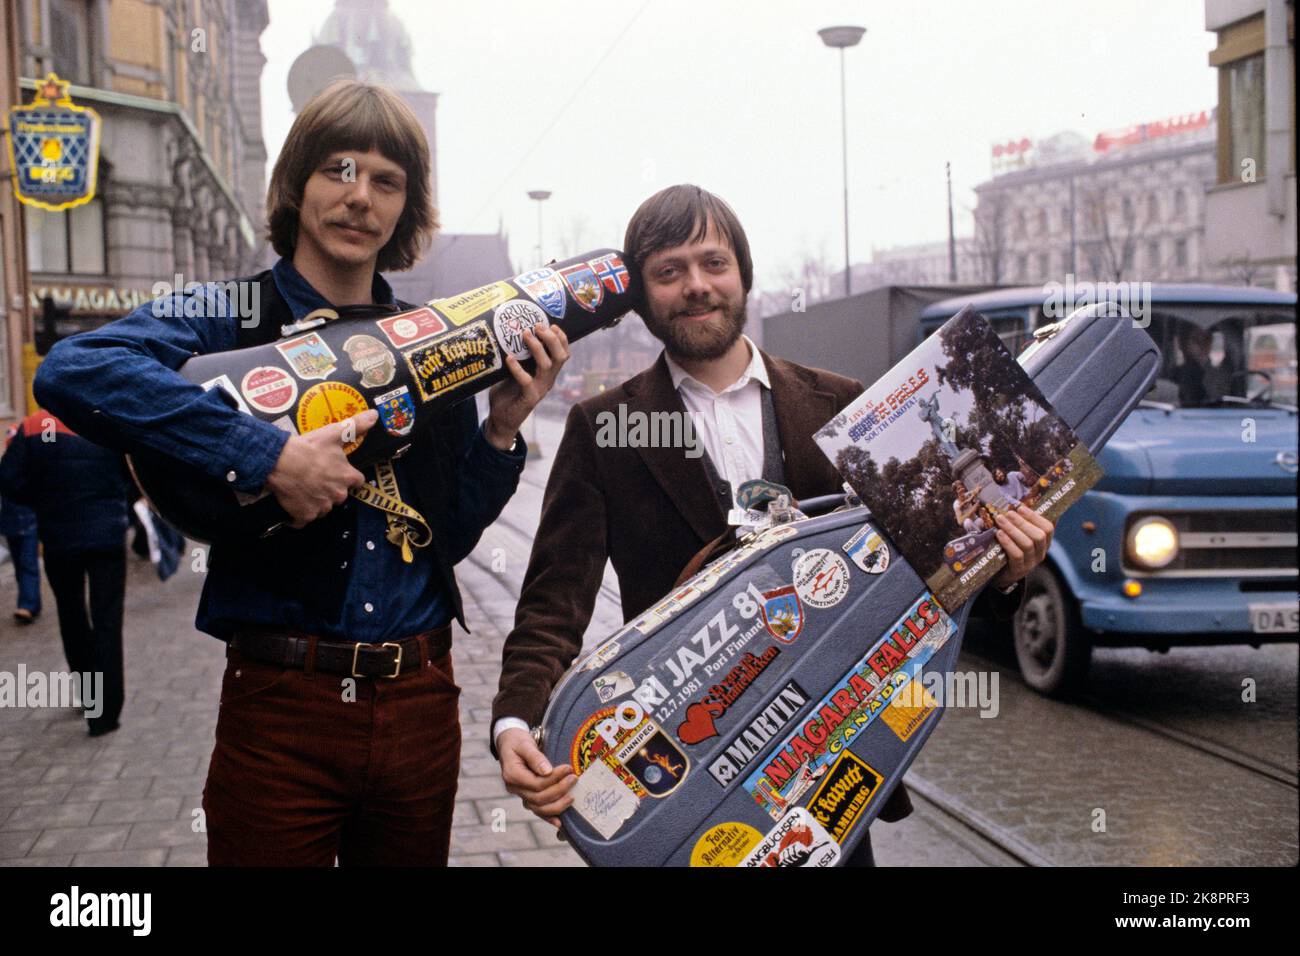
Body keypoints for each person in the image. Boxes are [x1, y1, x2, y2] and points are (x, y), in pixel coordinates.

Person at [33, 80, 569, 865]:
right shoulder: (231, 313)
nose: (360, 198)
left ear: (407, 209)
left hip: (421, 699)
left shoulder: (429, 342)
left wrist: (501, 431)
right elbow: (75, 368)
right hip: (281, 705)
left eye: (388, 181)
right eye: (339, 170)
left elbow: (445, 540)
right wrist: (266, 454)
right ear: (296, 185)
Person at [492, 184, 1055, 866]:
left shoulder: (847, 408)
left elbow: (929, 581)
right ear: (641, 297)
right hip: (686, 782)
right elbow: (555, 598)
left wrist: (1007, 572)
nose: (696, 286)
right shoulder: (602, 425)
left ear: (744, 275)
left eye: (713, 263)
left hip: (833, 774)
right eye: (669, 272)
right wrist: (516, 719)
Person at [0, 411, 132, 735]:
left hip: (59, 537)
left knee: (71, 616)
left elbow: (8, 480)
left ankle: (90, 698)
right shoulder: (108, 421)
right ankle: (106, 713)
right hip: (107, 536)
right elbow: (136, 477)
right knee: (107, 620)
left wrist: (42, 500)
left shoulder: (33, 427)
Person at [1, 423, 41, 624]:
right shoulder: (27, 466)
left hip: (20, 521)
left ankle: (28, 603)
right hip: (19, 520)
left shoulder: (11, 465)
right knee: (24, 563)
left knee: (25, 563)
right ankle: (29, 601)